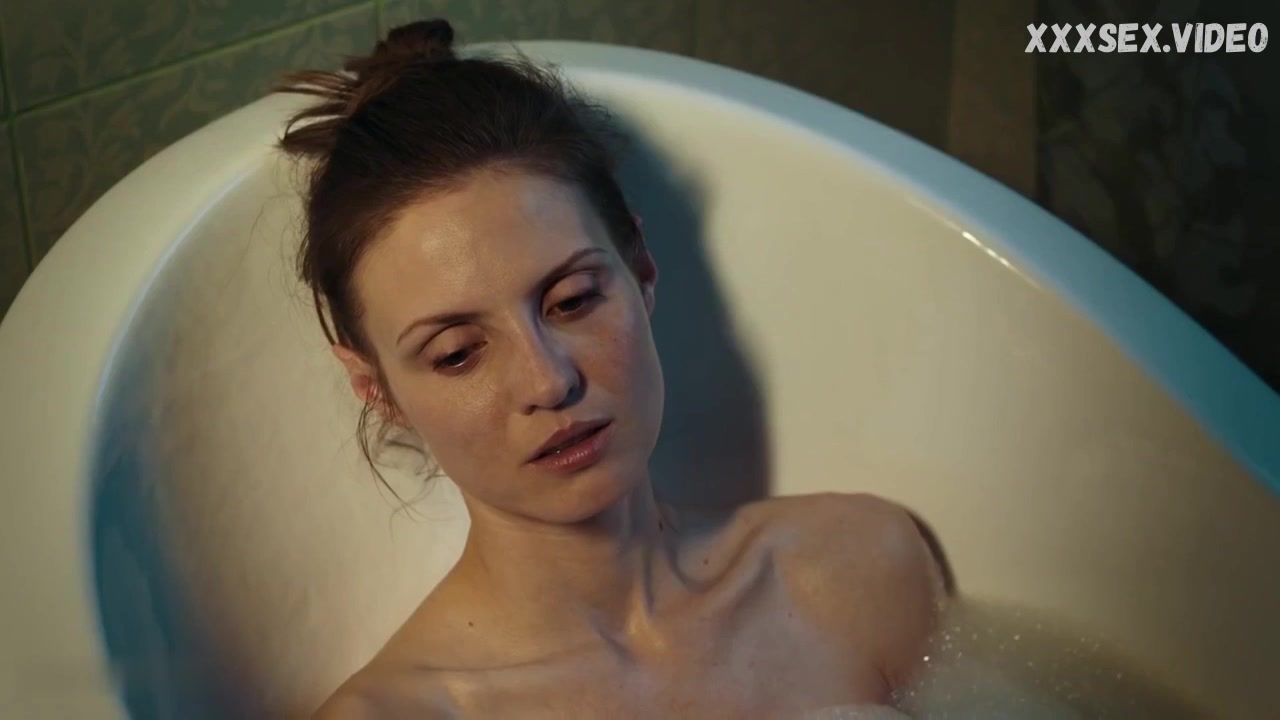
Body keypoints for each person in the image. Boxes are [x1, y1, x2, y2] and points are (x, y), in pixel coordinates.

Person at [275, 18, 947, 719]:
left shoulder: (859, 573)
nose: (549, 381)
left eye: (572, 301)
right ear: (376, 389)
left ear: (640, 269)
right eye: (458, 353)